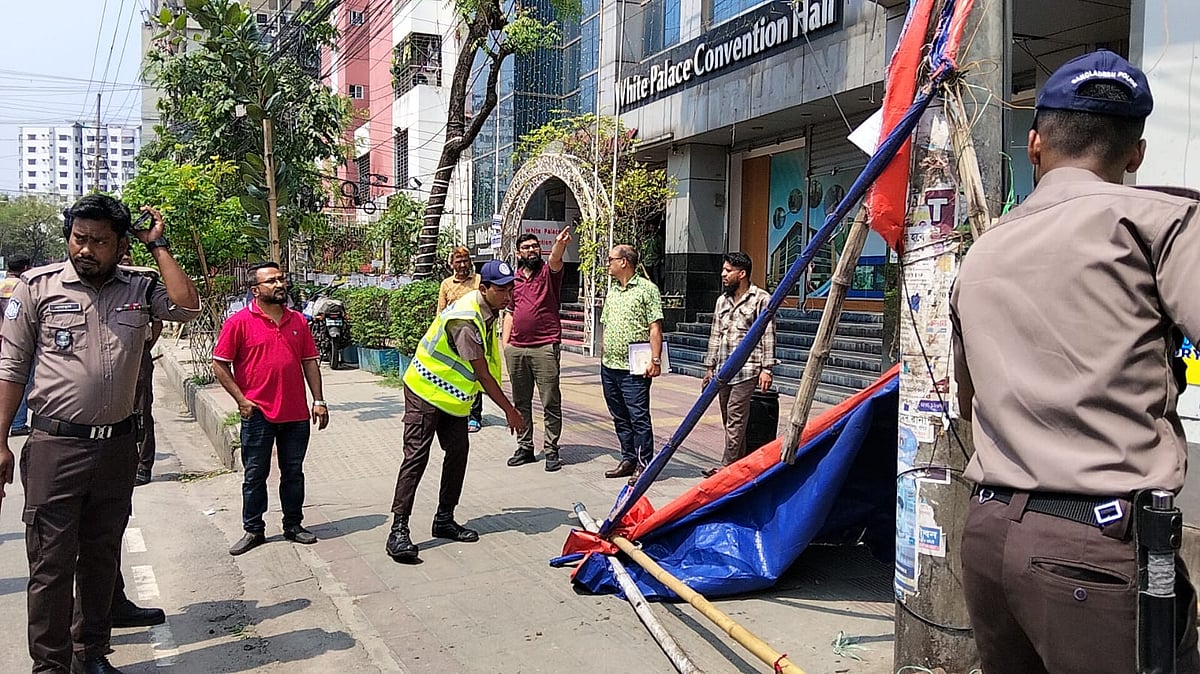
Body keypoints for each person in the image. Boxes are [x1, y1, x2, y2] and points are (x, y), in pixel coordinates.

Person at [951, 50, 1200, 673]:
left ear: (1034, 146)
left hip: (988, 540)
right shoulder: (1158, 222)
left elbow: (967, 400)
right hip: (1095, 548)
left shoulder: (982, 252)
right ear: (1135, 154)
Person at [0, 194, 200, 674]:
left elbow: (187, 308)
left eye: (99, 242)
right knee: (51, 565)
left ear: (121, 244)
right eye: (78, 238)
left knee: (100, 556)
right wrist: (0, 440)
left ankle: (91, 654)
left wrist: (161, 247)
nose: (85, 249)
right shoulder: (37, 288)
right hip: (55, 447)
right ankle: (50, 666)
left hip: (115, 447)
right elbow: (10, 367)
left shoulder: (140, 287)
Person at [386, 259, 526, 563]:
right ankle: (398, 529)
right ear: (484, 288)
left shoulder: (488, 311)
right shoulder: (465, 319)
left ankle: (444, 518)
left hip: (452, 398)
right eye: (501, 289)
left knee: (458, 453)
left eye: (510, 288)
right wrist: (509, 411)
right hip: (425, 390)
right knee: (416, 457)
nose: (508, 294)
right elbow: (482, 374)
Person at [213, 262, 329, 557]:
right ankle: (253, 529)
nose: (279, 284)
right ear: (256, 289)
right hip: (258, 414)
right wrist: (241, 399)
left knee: (293, 472)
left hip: (296, 413)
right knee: (255, 473)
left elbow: (309, 362)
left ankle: (293, 525)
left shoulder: (298, 322)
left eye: (281, 279)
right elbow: (220, 364)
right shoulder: (238, 322)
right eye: (271, 281)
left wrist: (318, 400)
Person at [700, 252, 776, 477]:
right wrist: (709, 368)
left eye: (728, 271)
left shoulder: (761, 298)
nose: (723, 275)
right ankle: (740, 466)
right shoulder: (722, 301)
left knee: (735, 418)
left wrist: (767, 369)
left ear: (741, 274)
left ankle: (726, 469)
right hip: (724, 371)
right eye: (723, 270)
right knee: (730, 420)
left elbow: (768, 334)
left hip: (748, 369)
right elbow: (715, 334)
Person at [503, 229, 571, 472]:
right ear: (518, 252)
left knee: (550, 400)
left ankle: (552, 449)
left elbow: (555, 259)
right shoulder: (514, 279)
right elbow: (510, 311)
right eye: (526, 247)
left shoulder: (548, 272)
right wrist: (506, 345)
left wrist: (559, 245)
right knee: (521, 401)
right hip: (517, 349)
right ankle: (525, 447)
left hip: (545, 346)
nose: (531, 250)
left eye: (534, 246)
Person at [599, 244, 664, 481]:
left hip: (634, 368)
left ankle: (644, 463)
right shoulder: (613, 290)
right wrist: (604, 348)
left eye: (611, 259)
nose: (608, 263)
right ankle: (628, 458)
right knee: (619, 415)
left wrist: (655, 360)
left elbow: (655, 328)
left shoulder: (647, 289)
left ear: (624, 262)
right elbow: (605, 323)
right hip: (609, 366)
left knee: (638, 416)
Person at [119, 254, 163, 486]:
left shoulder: (143, 287)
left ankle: (143, 465)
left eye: (128, 258)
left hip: (138, 356)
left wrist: (144, 349)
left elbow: (157, 323)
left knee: (141, 411)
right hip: (108, 358)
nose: (124, 262)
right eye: (121, 259)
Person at [437, 246, 483, 432]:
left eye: (465, 260)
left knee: (476, 374)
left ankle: (474, 416)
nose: (463, 264)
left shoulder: (478, 280)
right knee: (456, 376)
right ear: (451, 264)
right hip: (452, 337)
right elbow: (440, 311)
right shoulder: (446, 284)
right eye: (458, 261)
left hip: (475, 335)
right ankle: (457, 412)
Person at [1, 254, 33, 436]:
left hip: (2, 339)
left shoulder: (1, 285)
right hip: (19, 342)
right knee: (20, 380)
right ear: (26, 268)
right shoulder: (25, 287)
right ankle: (19, 422)